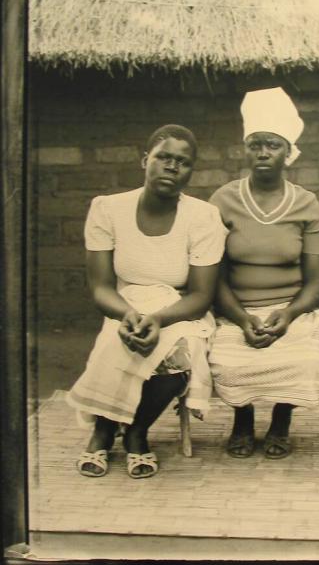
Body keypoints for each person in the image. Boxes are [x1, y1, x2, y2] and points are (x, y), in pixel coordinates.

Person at [67, 124, 227, 479]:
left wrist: (158, 320)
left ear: (190, 171)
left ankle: (138, 431)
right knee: (115, 340)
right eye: (163, 157)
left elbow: (201, 295)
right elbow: (101, 287)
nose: (172, 167)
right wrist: (129, 314)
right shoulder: (107, 209)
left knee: (180, 355)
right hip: (124, 303)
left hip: (180, 308)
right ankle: (104, 431)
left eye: (182, 162)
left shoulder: (203, 217)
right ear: (145, 160)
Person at [208, 87, 319, 460]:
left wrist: (290, 314)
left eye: (273, 145)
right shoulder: (224, 199)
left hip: (290, 308)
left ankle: (281, 420)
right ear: (245, 149)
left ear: (288, 152)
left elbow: (316, 280)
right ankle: (242, 420)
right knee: (228, 361)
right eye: (256, 144)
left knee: (303, 360)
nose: (263, 153)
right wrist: (241, 317)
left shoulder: (307, 204)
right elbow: (214, 276)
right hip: (236, 308)